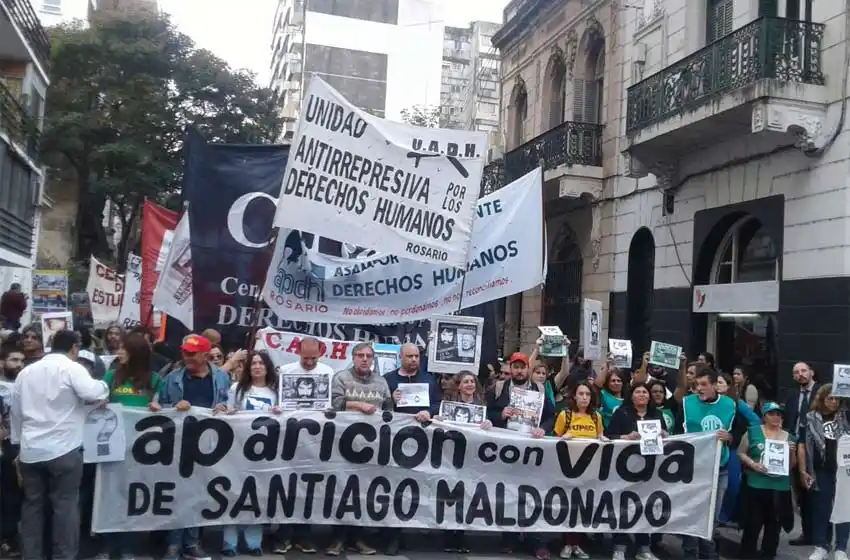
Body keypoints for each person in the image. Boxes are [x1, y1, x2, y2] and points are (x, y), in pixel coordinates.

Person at [9, 330, 109, 560]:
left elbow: (16, 411)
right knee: (65, 507)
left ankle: (31, 555)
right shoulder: (72, 368)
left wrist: (17, 442)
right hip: (64, 448)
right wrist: (104, 387)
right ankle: (64, 556)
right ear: (74, 348)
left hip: (30, 450)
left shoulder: (26, 372)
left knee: (32, 506)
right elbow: (92, 392)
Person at [158, 334, 231, 560]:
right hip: (178, 445)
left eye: (192, 353)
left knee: (199, 494)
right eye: (185, 353)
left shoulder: (220, 377)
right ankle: (173, 543)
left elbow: (229, 402)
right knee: (177, 494)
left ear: (204, 355)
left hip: (208, 446)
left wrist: (224, 407)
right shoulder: (173, 378)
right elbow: (159, 406)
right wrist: (173, 406)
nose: (186, 357)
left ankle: (191, 542)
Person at [96, 333, 162, 560]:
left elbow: (164, 409)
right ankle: (106, 545)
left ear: (136, 352)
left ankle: (127, 547)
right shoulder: (111, 376)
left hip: (140, 451)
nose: (119, 352)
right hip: (111, 448)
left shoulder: (154, 380)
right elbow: (96, 403)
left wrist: (158, 407)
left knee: (132, 498)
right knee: (109, 496)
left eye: (124, 348)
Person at [325, 342, 392, 556]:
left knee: (363, 493)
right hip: (342, 446)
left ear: (373, 359)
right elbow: (334, 404)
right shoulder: (341, 377)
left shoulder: (382, 382)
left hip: (372, 449)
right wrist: (358, 406)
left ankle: (358, 537)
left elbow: (389, 410)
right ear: (353, 357)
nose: (364, 359)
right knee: (341, 491)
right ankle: (338, 538)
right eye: (360, 355)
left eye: (368, 356)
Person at [675, 368, 748, 559]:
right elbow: (677, 432)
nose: (699, 389)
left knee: (711, 517)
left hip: (719, 468)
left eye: (704, 385)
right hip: (692, 468)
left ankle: (709, 553)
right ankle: (691, 553)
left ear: (716, 385)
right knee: (691, 514)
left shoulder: (729, 405)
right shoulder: (686, 403)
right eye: (696, 385)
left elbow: (739, 433)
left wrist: (730, 437)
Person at [486, 351, 553, 560]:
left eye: (522, 367)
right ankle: (510, 538)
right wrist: (500, 415)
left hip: (533, 450)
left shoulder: (539, 389)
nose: (519, 370)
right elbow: (486, 414)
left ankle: (536, 540)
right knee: (509, 493)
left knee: (534, 493)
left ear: (528, 369)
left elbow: (552, 415)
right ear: (511, 369)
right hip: (507, 449)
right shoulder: (499, 388)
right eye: (515, 367)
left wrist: (543, 428)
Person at [273, 337, 333, 555]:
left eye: (313, 358)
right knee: (287, 486)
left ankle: (304, 535)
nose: (309, 362)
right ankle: (284, 533)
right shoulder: (286, 371)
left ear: (320, 353)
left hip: (315, 440)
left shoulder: (327, 372)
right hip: (289, 437)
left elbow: (331, 405)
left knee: (308, 488)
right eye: (305, 358)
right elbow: (276, 399)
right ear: (297, 352)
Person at [222, 351, 280, 556]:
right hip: (238, 449)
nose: (257, 367)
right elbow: (225, 415)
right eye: (253, 363)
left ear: (267, 367)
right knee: (234, 495)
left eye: (261, 363)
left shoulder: (275, 392)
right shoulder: (236, 389)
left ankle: (254, 542)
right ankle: (229, 543)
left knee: (258, 497)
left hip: (265, 453)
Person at [606, 382, 664, 560]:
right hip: (624, 468)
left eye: (645, 392)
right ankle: (619, 546)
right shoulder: (622, 413)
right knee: (623, 506)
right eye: (638, 392)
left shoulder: (657, 415)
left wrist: (665, 435)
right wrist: (626, 437)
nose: (642, 395)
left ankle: (643, 546)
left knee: (645, 505)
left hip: (649, 469)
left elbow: (667, 439)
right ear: (631, 396)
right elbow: (608, 436)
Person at [435, 370, 491, 553]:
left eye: (472, 381)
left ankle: (460, 536)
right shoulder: (448, 406)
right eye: (466, 381)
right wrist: (438, 419)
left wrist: (488, 424)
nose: (470, 385)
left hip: (471, 458)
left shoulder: (481, 405)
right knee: (450, 494)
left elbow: (488, 431)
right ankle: (447, 536)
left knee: (466, 495)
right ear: (458, 385)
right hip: (450, 456)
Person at [553, 381, 605, 560]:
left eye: (588, 394)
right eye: (581, 394)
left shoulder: (596, 417)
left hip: (589, 470)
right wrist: (562, 438)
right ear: (574, 396)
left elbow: (600, 437)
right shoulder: (565, 415)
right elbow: (551, 441)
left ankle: (577, 544)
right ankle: (567, 543)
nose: (584, 397)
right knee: (569, 507)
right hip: (567, 469)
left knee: (583, 508)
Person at [738, 402, 796, 560]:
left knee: (774, 526)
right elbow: (741, 453)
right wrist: (753, 464)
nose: (776, 417)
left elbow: (791, 466)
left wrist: (791, 452)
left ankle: (768, 555)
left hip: (779, 486)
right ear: (764, 416)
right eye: (772, 414)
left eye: (779, 414)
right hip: (756, 484)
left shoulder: (789, 437)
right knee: (753, 524)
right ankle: (746, 555)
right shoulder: (752, 432)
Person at [799, 384, 850, 560]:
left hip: (844, 470)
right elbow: (803, 445)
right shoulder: (810, 418)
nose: (834, 402)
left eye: (837, 399)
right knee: (822, 509)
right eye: (830, 398)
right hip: (821, 470)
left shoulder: (845, 416)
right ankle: (821, 545)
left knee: (843, 508)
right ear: (822, 399)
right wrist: (803, 470)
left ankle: (841, 547)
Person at [784, 362, 821, 547]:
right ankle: (808, 534)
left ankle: (822, 534)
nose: (800, 374)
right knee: (802, 493)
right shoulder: (792, 396)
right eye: (796, 372)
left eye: (804, 371)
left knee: (819, 493)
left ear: (812, 372)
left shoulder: (823, 393)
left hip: (817, 448)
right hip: (795, 448)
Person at [0, 343, 24, 557]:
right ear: (2, 362)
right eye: (14, 360)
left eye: (22, 360)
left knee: (11, 496)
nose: (19, 364)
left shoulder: (26, 384)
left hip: (15, 447)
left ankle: (9, 537)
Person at [594, 359, 625, 428]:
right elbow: (597, 385)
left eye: (619, 381)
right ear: (607, 383)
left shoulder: (627, 399)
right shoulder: (603, 394)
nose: (616, 383)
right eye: (613, 381)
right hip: (606, 432)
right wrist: (606, 365)